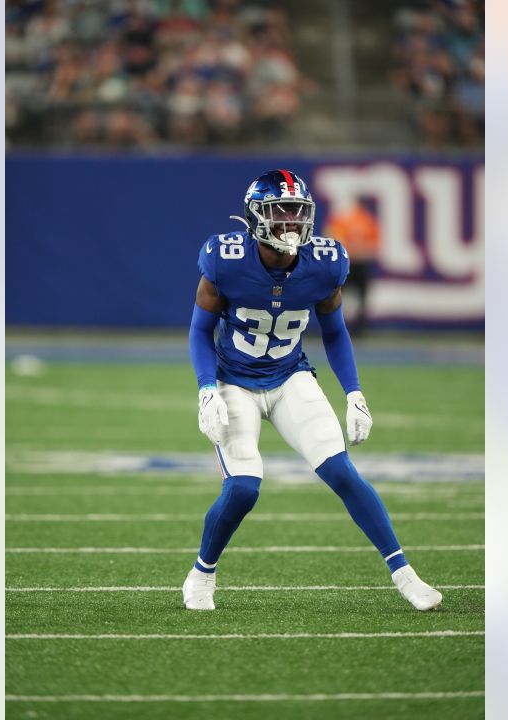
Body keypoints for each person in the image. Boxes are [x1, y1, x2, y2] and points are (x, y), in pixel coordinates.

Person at [183, 169, 443, 612]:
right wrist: (207, 388)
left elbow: (336, 332)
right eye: (279, 214)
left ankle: (405, 574)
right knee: (244, 489)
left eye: (297, 213)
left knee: (342, 471)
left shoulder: (326, 262)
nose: (291, 224)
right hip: (234, 381)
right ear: (254, 217)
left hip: (289, 377)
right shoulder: (224, 259)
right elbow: (200, 330)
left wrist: (354, 392)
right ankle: (202, 574)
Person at [322, 197, 381, 336]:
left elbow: (333, 238)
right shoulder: (366, 221)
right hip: (355, 262)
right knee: (342, 295)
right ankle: (348, 327)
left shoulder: (351, 219)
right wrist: (359, 250)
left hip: (353, 262)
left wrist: (352, 250)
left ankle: (349, 327)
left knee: (349, 296)